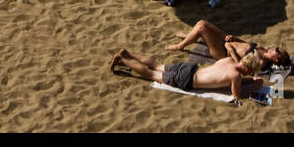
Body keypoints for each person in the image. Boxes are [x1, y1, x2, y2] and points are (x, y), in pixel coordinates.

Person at [111, 47, 263, 102]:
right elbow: (237, 94)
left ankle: (129, 53)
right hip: (187, 79)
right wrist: (254, 86)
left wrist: (248, 80)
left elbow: (227, 78)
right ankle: (125, 60)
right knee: (151, 74)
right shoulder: (235, 76)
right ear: (249, 69)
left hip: (190, 68)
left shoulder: (229, 60)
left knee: (157, 65)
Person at [168, 20, 292, 71]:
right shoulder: (262, 49)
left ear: (276, 59)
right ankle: (190, 37)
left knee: (201, 28)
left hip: (223, 52)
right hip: (228, 42)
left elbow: (239, 68)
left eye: (277, 50)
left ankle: (180, 46)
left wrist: (231, 50)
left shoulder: (259, 62)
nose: (274, 47)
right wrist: (234, 38)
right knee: (203, 22)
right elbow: (245, 44)